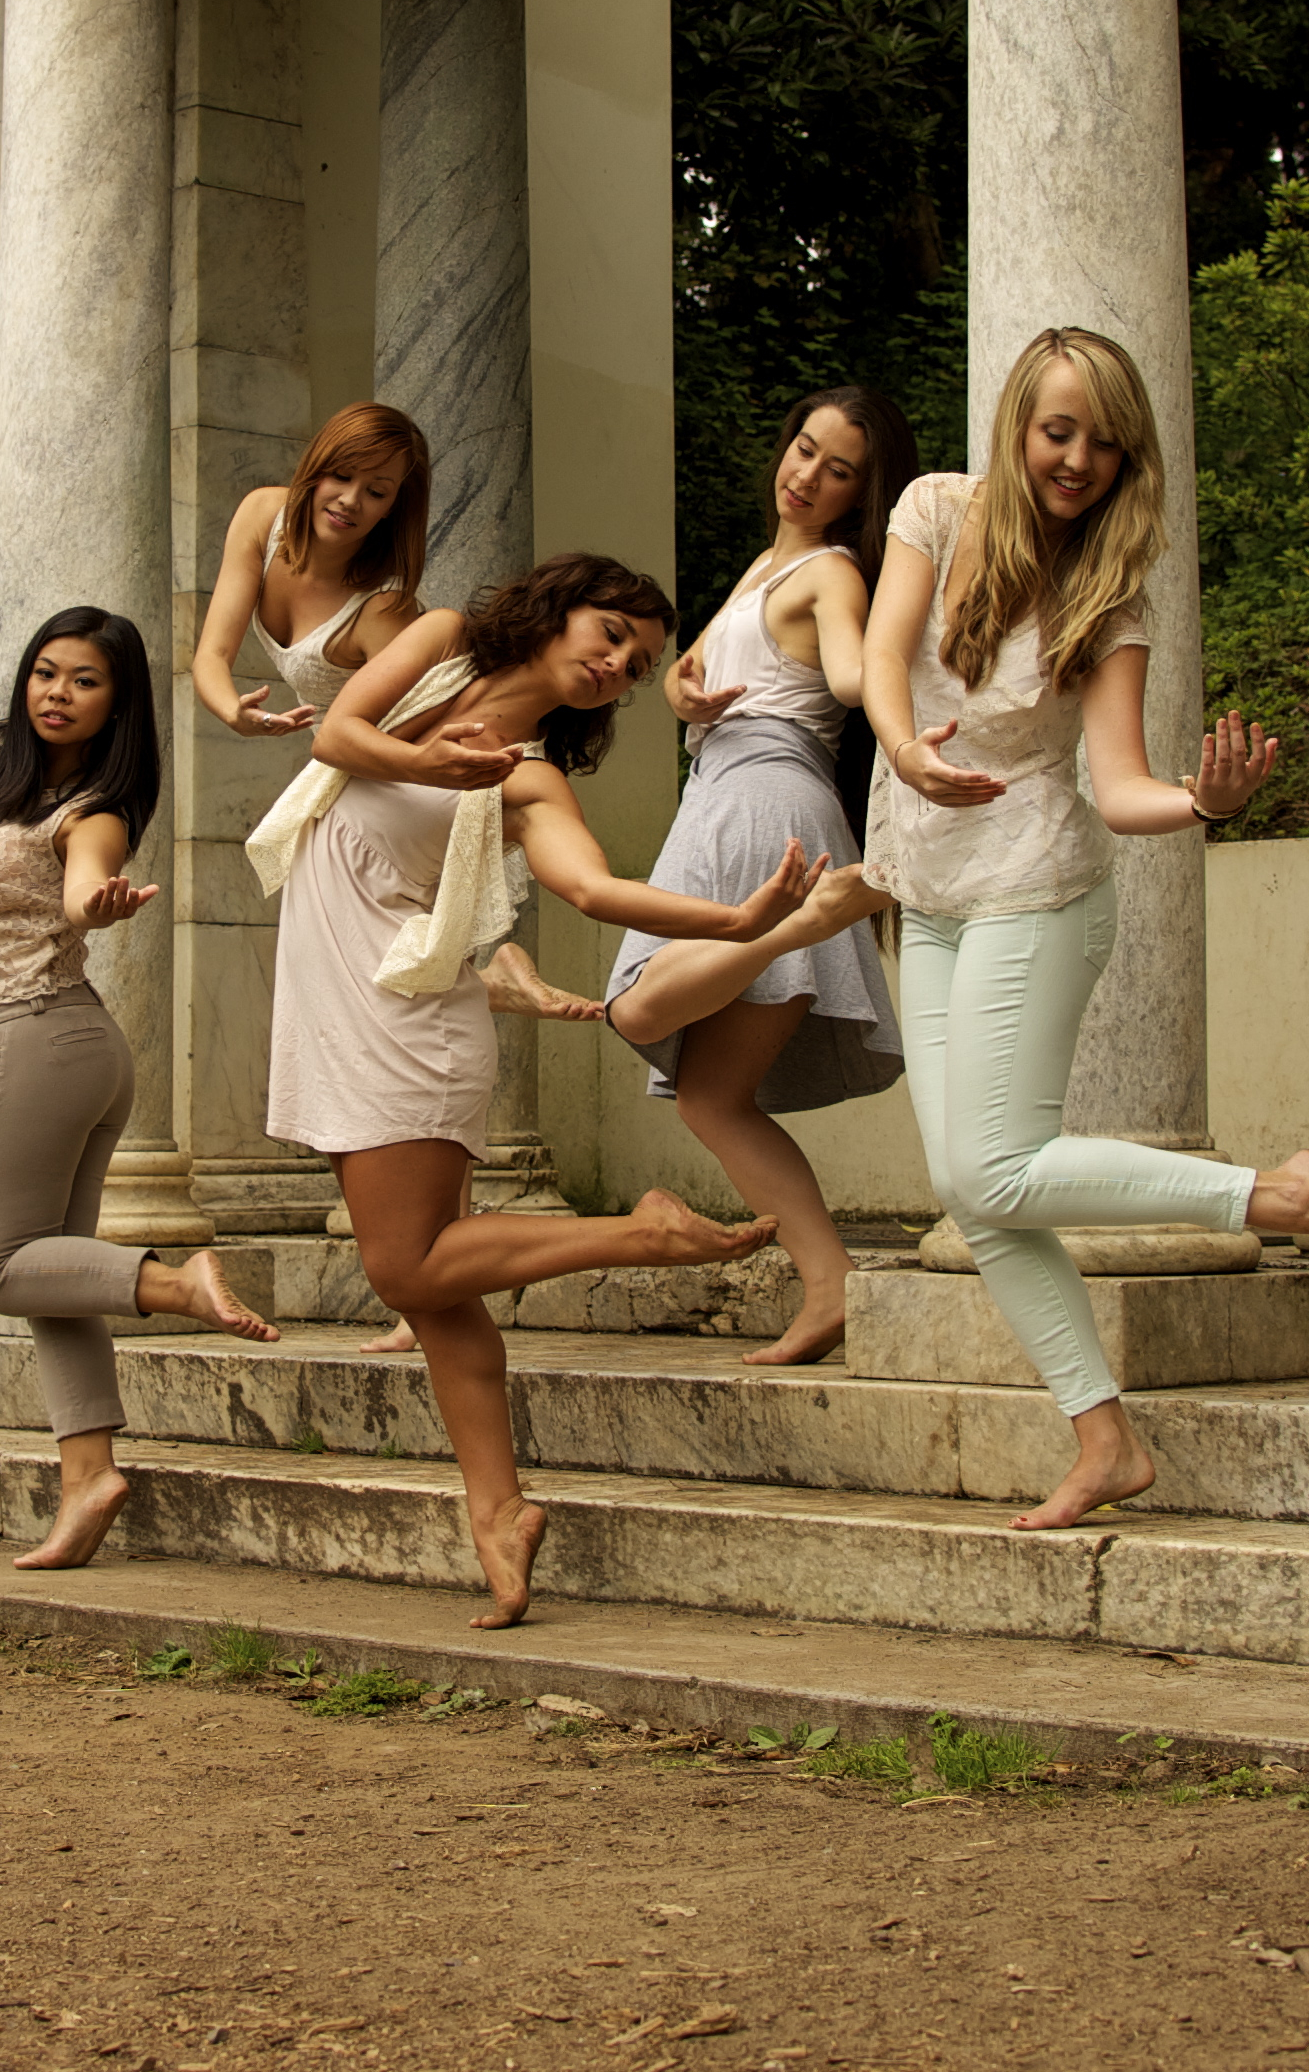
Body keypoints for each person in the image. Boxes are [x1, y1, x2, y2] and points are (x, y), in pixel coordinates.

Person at [859, 325, 1309, 1532]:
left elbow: (1118, 789)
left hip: (1037, 884)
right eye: (1057, 430)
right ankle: (1104, 1438)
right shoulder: (933, 510)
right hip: (929, 888)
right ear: (1018, 424)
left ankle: (1278, 1195)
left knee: (993, 1166)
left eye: (1105, 442)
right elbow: (876, 659)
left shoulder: (1107, 597)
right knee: (977, 1195)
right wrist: (905, 750)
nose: (1077, 458)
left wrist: (1201, 802)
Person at [250, 552, 864, 1629]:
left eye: (637, 662)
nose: (617, 663)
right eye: (611, 632)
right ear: (556, 606)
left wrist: (739, 920)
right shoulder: (440, 642)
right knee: (437, 1297)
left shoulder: (528, 778)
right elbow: (335, 735)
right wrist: (433, 762)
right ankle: (500, 1511)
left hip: (405, 1018)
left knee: (405, 1265)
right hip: (333, 1002)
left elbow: (593, 888)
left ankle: (643, 1234)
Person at [194, 401, 599, 1358]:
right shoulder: (260, 515)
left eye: (378, 493)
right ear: (314, 466)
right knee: (368, 1008)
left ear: (397, 509)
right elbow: (210, 653)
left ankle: (493, 964)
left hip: (399, 772)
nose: (351, 502)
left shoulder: (383, 612)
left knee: (405, 992)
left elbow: (433, 707)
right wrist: (234, 713)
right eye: (342, 478)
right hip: (349, 785)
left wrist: (441, 757)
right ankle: (494, 970)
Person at [0, 606, 278, 1573]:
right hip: (59, 1047)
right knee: (56, 1284)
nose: (58, 694)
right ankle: (89, 1478)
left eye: (85, 681)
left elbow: (81, 886)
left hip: (35, 1041)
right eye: (46, 672)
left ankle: (177, 1283)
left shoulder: (98, 807)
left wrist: (95, 905)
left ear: (118, 701)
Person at [604, 388, 918, 1365]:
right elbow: (695, 675)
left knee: (650, 1020)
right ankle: (830, 1284)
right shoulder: (766, 564)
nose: (806, 474)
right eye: (802, 448)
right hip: (725, 799)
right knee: (709, 1094)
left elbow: (849, 676)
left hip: (763, 806)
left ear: (861, 494)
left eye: (837, 469)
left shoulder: (830, 573)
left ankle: (830, 1284)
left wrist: (910, 708)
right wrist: (680, 691)